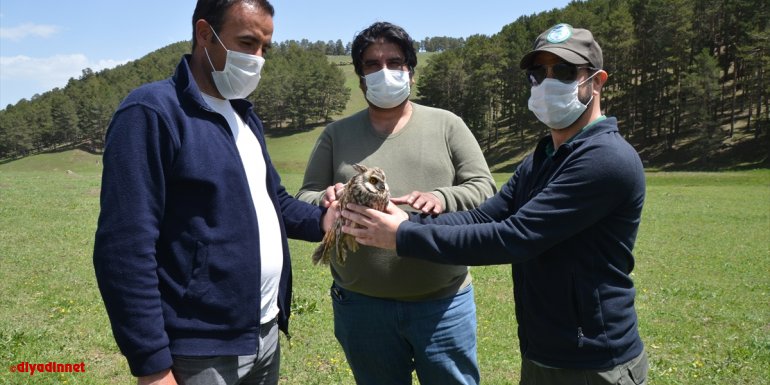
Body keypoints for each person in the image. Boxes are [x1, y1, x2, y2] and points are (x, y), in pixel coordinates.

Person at [340, 23, 649, 385]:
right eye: (538, 72)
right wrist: (407, 221)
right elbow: (485, 215)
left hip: (594, 361)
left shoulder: (605, 159)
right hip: (545, 351)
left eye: (564, 71)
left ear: (597, 81)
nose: (548, 82)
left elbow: (513, 237)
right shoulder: (545, 157)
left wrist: (403, 236)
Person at [92, 1, 333, 384]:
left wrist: (326, 219)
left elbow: (275, 201)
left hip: (264, 333)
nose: (257, 58)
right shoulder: (151, 112)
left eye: (264, 48)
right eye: (247, 42)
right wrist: (152, 365)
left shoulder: (243, 115)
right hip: (197, 349)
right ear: (205, 34)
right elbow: (123, 247)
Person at [296, 21, 496, 385]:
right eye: (372, 64)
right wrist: (325, 201)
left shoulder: (447, 125)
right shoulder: (336, 134)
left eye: (394, 62)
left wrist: (440, 197)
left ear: (411, 73)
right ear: (360, 78)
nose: (384, 71)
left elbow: (484, 187)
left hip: (443, 303)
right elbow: (305, 195)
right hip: (361, 306)